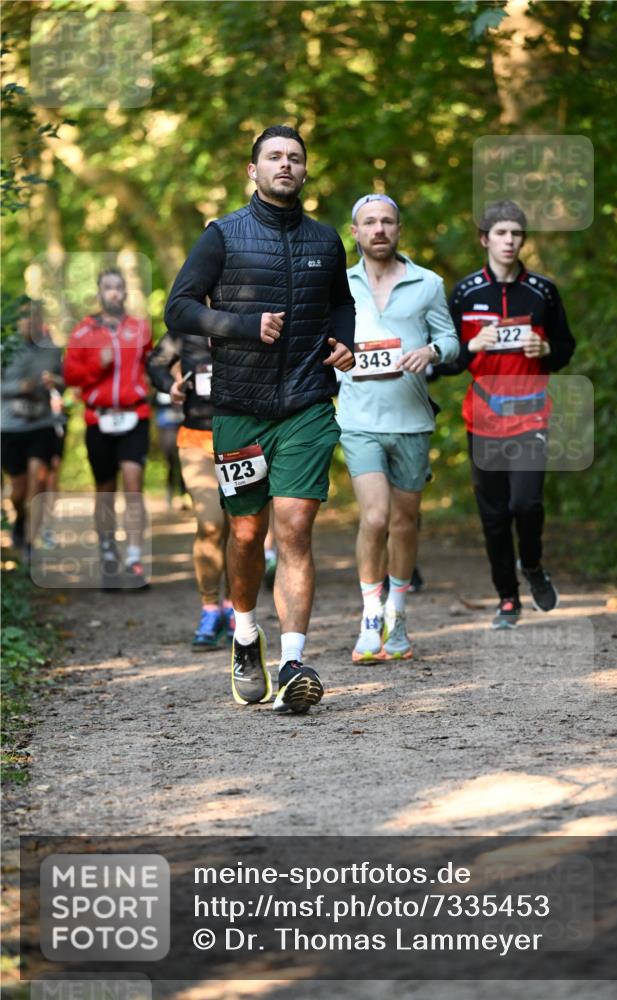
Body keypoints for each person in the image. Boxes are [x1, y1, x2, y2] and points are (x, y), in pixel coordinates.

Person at [165, 124, 355, 713]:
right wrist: (245, 327)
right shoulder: (222, 236)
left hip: (305, 405)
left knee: (294, 530)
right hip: (240, 412)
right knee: (245, 534)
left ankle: (293, 661)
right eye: (274, 157)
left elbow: (340, 304)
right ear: (253, 170)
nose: (285, 165)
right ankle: (245, 635)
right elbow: (179, 307)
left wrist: (343, 343)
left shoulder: (326, 240)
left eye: (295, 158)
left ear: (305, 170)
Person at [435, 200, 575, 629]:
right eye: (501, 233)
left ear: (523, 240)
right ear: (485, 239)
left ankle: (531, 564)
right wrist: (470, 348)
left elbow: (565, 348)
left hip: (532, 416)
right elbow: (448, 361)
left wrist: (547, 350)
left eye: (516, 234)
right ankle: (508, 598)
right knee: (494, 516)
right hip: (483, 419)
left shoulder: (543, 292)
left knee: (527, 504)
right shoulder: (465, 293)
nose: (509, 241)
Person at [337, 194, 459, 662]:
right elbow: (323, 341)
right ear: (356, 232)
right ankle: (370, 618)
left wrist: (431, 352)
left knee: (405, 522)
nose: (379, 229)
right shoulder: (339, 284)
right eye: (370, 222)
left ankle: (398, 615)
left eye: (387, 221)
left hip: (412, 418)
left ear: (398, 229)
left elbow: (449, 339)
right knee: (375, 517)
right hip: (359, 419)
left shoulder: (427, 283)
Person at [63, 268, 152, 590]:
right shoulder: (83, 332)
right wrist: (95, 365)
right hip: (97, 419)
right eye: (108, 287)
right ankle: (108, 555)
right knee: (105, 491)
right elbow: (70, 376)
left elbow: (153, 364)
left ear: (125, 292)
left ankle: (135, 559)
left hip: (134, 416)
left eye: (118, 287)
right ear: (99, 293)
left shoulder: (140, 329)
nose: (113, 293)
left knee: (133, 485)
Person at [147, 330, 235, 649]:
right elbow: (155, 363)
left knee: (242, 528)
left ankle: (236, 607)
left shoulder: (250, 315)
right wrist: (169, 385)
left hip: (244, 436)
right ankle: (210, 607)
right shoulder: (185, 329)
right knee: (211, 524)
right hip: (198, 437)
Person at [1, 298, 64, 558]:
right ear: (17, 322)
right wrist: (19, 387)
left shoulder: (52, 350)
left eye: (35, 317)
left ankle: (29, 543)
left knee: (38, 478)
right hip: (10, 427)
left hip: (42, 424)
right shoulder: (5, 349)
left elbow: (65, 382)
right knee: (18, 490)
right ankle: (19, 519)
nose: (30, 322)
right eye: (25, 317)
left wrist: (56, 382)